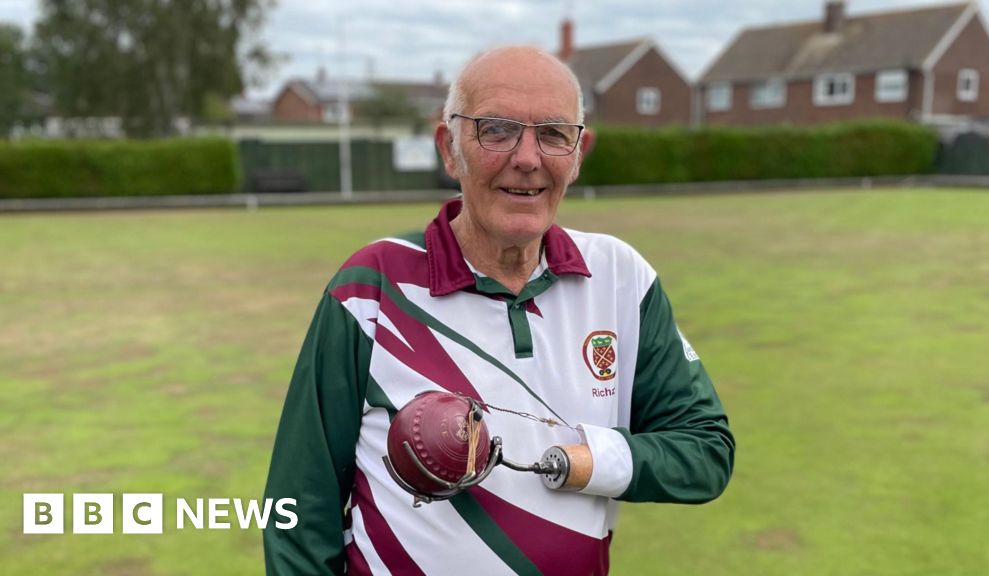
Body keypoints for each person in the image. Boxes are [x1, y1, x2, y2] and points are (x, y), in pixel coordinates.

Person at [263, 45, 735, 576]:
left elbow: (705, 451)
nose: (528, 158)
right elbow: (298, 509)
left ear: (578, 154)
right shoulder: (370, 287)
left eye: (554, 133)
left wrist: (580, 462)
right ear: (449, 148)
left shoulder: (623, 279)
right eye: (497, 129)